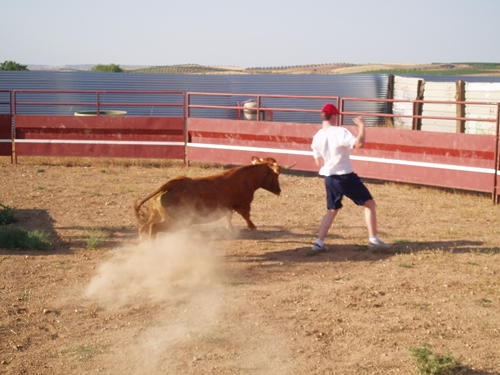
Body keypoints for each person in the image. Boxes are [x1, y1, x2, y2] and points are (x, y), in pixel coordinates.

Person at [309, 103, 391, 255]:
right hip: (344, 176)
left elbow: (318, 162)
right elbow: (358, 144)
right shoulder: (339, 132)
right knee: (369, 203)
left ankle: (319, 243)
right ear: (334, 116)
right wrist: (361, 126)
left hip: (329, 177)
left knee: (332, 210)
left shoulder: (317, 136)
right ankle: (374, 240)